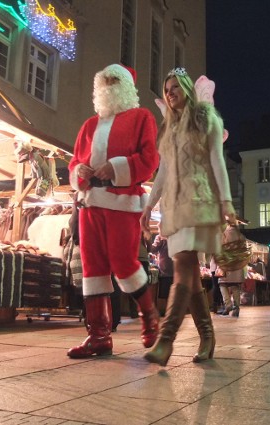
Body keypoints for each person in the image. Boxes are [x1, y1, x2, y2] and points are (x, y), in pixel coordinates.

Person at [140, 67, 235, 366]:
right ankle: (207, 336)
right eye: (166, 89)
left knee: (183, 266)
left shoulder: (206, 118)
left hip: (201, 201)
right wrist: (148, 205)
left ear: (185, 88)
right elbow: (163, 171)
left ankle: (165, 340)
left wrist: (226, 201)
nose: (169, 93)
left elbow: (218, 162)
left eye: (174, 88)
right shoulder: (168, 129)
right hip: (175, 206)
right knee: (191, 277)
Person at [67, 64, 160, 358]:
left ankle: (149, 316)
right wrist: (78, 171)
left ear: (127, 86)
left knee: (124, 262)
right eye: (103, 81)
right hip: (89, 203)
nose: (108, 86)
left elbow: (149, 159)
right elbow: (74, 163)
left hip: (122, 203)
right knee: (92, 269)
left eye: (113, 80)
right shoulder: (88, 125)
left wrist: (116, 167)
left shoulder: (141, 117)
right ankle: (98, 335)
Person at [217, 224, 246, 317]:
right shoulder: (241, 236)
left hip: (227, 264)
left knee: (222, 284)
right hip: (237, 266)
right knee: (235, 285)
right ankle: (236, 308)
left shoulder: (224, 234)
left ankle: (228, 304)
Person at [150, 232, 174, 316]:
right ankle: (169, 313)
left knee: (175, 293)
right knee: (166, 294)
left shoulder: (176, 234)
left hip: (177, 270)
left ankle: (172, 312)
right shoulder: (160, 237)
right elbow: (152, 249)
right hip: (165, 270)